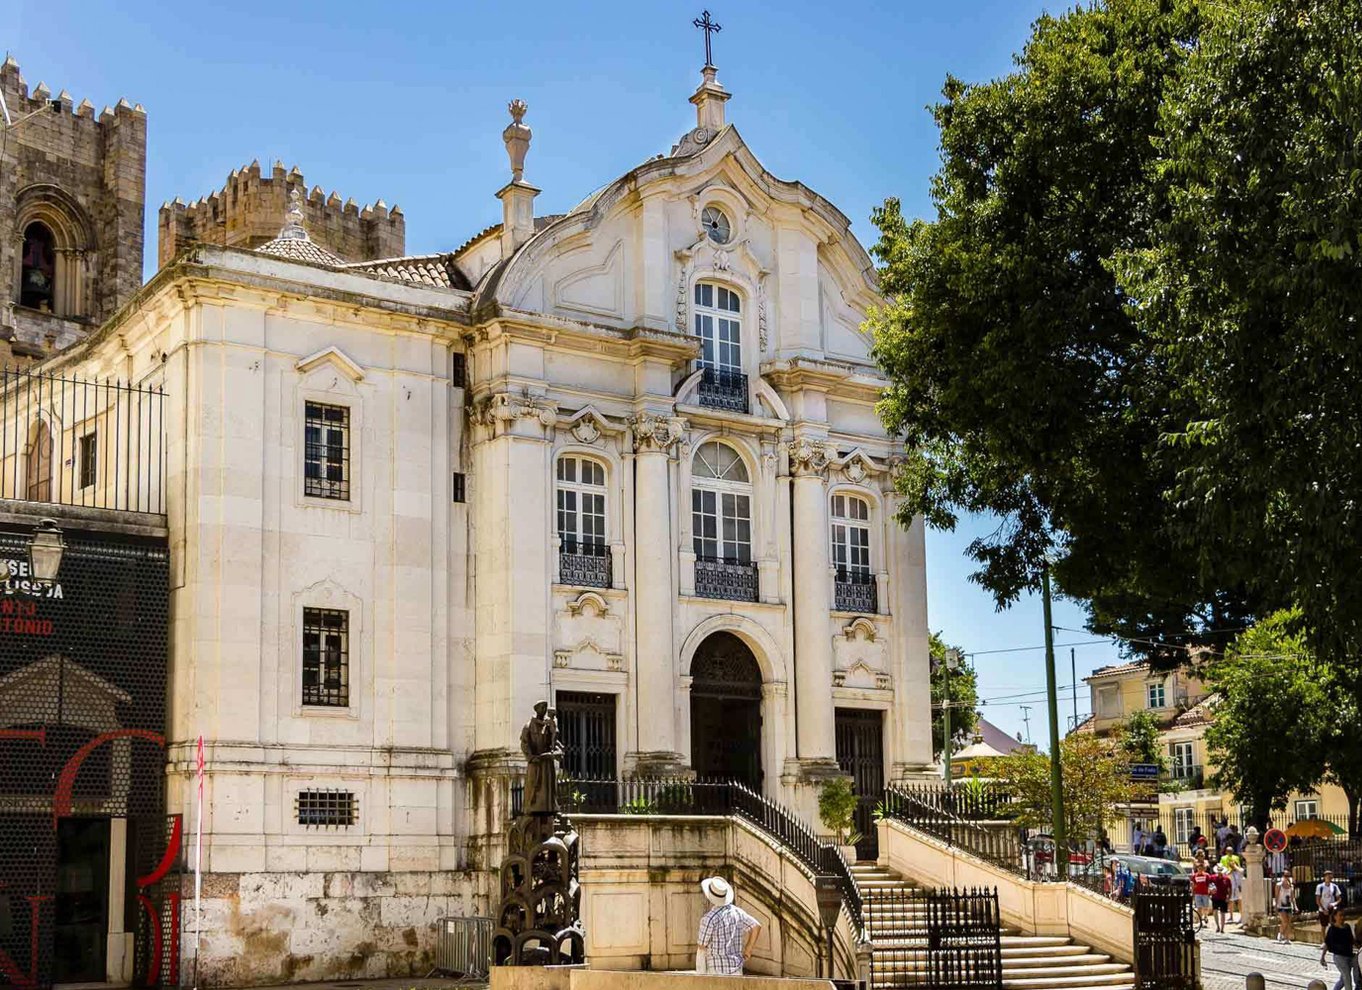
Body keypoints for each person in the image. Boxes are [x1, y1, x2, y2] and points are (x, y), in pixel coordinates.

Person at [695, 877, 761, 976]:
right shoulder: (738, 912)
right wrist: (748, 949)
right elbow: (756, 926)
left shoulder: (709, 918)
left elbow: (702, 945)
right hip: (736, 968)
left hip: (716, 969)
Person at [1321, 907, 1359, 990]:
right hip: (1340, 957)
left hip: (1350, 955)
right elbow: (1327, 943)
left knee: (1344, 979)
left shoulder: (1347, 927)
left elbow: (1352, 940)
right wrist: (1322, 957)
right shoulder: (1332, 929)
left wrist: (1359, 948)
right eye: (1340, 915)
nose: (1342, 917)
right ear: (1335, 917)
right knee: (1347, 977)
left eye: (1343, 915)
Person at [1275, 872, 1297, 943]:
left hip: (1289, 906)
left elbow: (1292, 897)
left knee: (1289, 922)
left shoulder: (1291, 886)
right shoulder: (1279, 885)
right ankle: (1281, 933)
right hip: (1281, 906)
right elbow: (1277, 896)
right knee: (1284, 921)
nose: (1287, 877)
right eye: (1285, 876)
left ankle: (1287, 938)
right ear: (1283, 876)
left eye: (1288, 876)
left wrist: (1295, 906)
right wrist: (1276, 905)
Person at [1210, 865, 1232, 933]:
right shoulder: (1212, 877)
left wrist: (1229, 897)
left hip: (1223, 897)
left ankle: (1222, 928)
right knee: (1215, 911)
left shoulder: (1227, 879)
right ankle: (1217, 926)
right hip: (1215, 897)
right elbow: (1210, 885)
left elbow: (1229, 889)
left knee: (1223, 913)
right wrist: (1210, 892)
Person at [1192, 863, 1212, 929]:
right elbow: (1193, 885)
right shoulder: (1194, 876)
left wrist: (1209, 891)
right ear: (1197, 869)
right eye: (1199, 868)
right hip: (1198, 893)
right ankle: (1200, 922)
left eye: (1201, 868)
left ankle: (1205, 917)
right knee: (1199, 908)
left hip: (1205, 893)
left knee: (1205, 907)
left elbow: (1209, 884)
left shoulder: (1207, 875)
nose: (1200, 869)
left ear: (1203, 869)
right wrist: (1193, 893)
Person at [1229, 856, 1245, 923]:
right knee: (1231, 902)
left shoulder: (1240, 869)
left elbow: (1241, 871)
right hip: (1232, 888)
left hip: (1239, 888)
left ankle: (1242, 916)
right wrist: (1231, 870)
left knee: (1240, 902)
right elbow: (1226, 875)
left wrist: (1235, 866)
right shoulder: (1231, 872)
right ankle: (1231, 917)